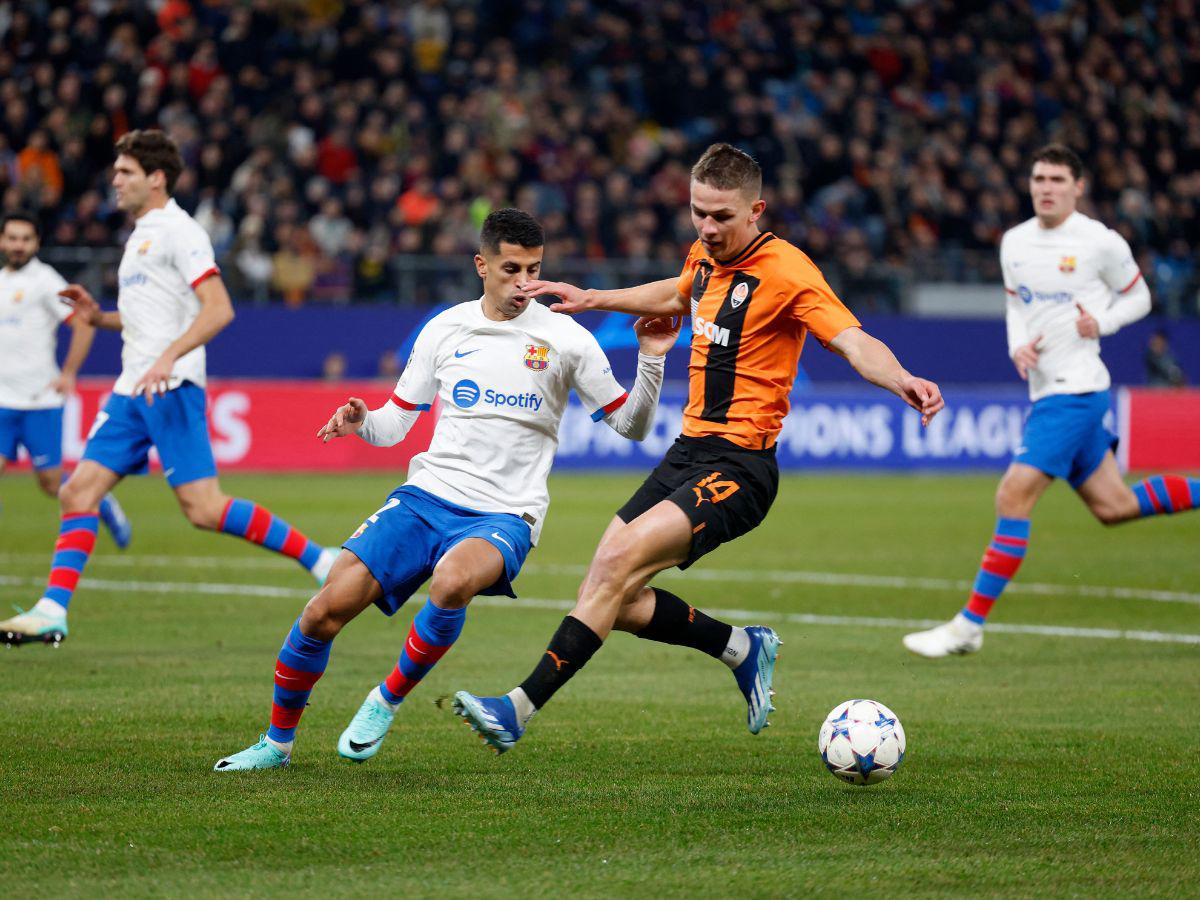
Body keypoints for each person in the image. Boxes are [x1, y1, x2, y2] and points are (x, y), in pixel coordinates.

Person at [451, 143, 945, 753]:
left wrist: (903, 379)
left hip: (742, 465)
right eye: (697, 213)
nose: (707, 229)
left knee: (612, 569)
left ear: (756, 210)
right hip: (688, 452)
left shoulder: (788, 271)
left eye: (721, 217)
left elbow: (852, 340)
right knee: (611, 595)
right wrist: (596, 298)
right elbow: (678, 291)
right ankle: (740, 647)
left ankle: (516, 709)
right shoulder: (705, 256)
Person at [214, 208, 677, 771]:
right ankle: (276, 745)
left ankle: (384, 700)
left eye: (534, 269)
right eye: (511, 269)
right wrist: (362, 419)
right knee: (322, 611)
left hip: (505, 514)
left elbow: (629, 425)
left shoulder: (567, 339)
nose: (524, 283)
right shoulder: (446, 328)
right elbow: (395, 426)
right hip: (426, 496)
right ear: (481, 265)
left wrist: (651, 362)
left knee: (453, 580)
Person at [0, 130, 334, 648]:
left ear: (156, 178)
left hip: (170, 386)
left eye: (126, 172)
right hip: (133, 388)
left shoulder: (181, 231)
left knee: (203, 508)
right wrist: (98, 318)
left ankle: (319, 559)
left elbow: (219, 308)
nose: (115, 180)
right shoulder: (139, 235)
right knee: (77, 491)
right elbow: (147, 323)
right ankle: (52, 611)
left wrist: (168, 358)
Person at [903, 144, 1197, 658]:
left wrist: (1100, 323)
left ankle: (969, 625)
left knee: (1012, 496)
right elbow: (1017, 302)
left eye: (1058, 179)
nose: (1046, 187)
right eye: (1039, 177)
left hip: (1076, 391)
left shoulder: (1100, 242)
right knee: (1115, 505)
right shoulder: (1014, 242)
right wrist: (1016, 343)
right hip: (1050, 388)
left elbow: (1141, 297)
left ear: (1078, 187)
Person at [0, 211, 130, 546]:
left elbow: (84, 322)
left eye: (25, 239)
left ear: (37, 243)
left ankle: (101, 500)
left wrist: (70, 371)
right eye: (12, 238)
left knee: (50, 482)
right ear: (2, 240)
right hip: (2, 400)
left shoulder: (46, 281)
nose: (18, 245)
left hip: (38, 399)